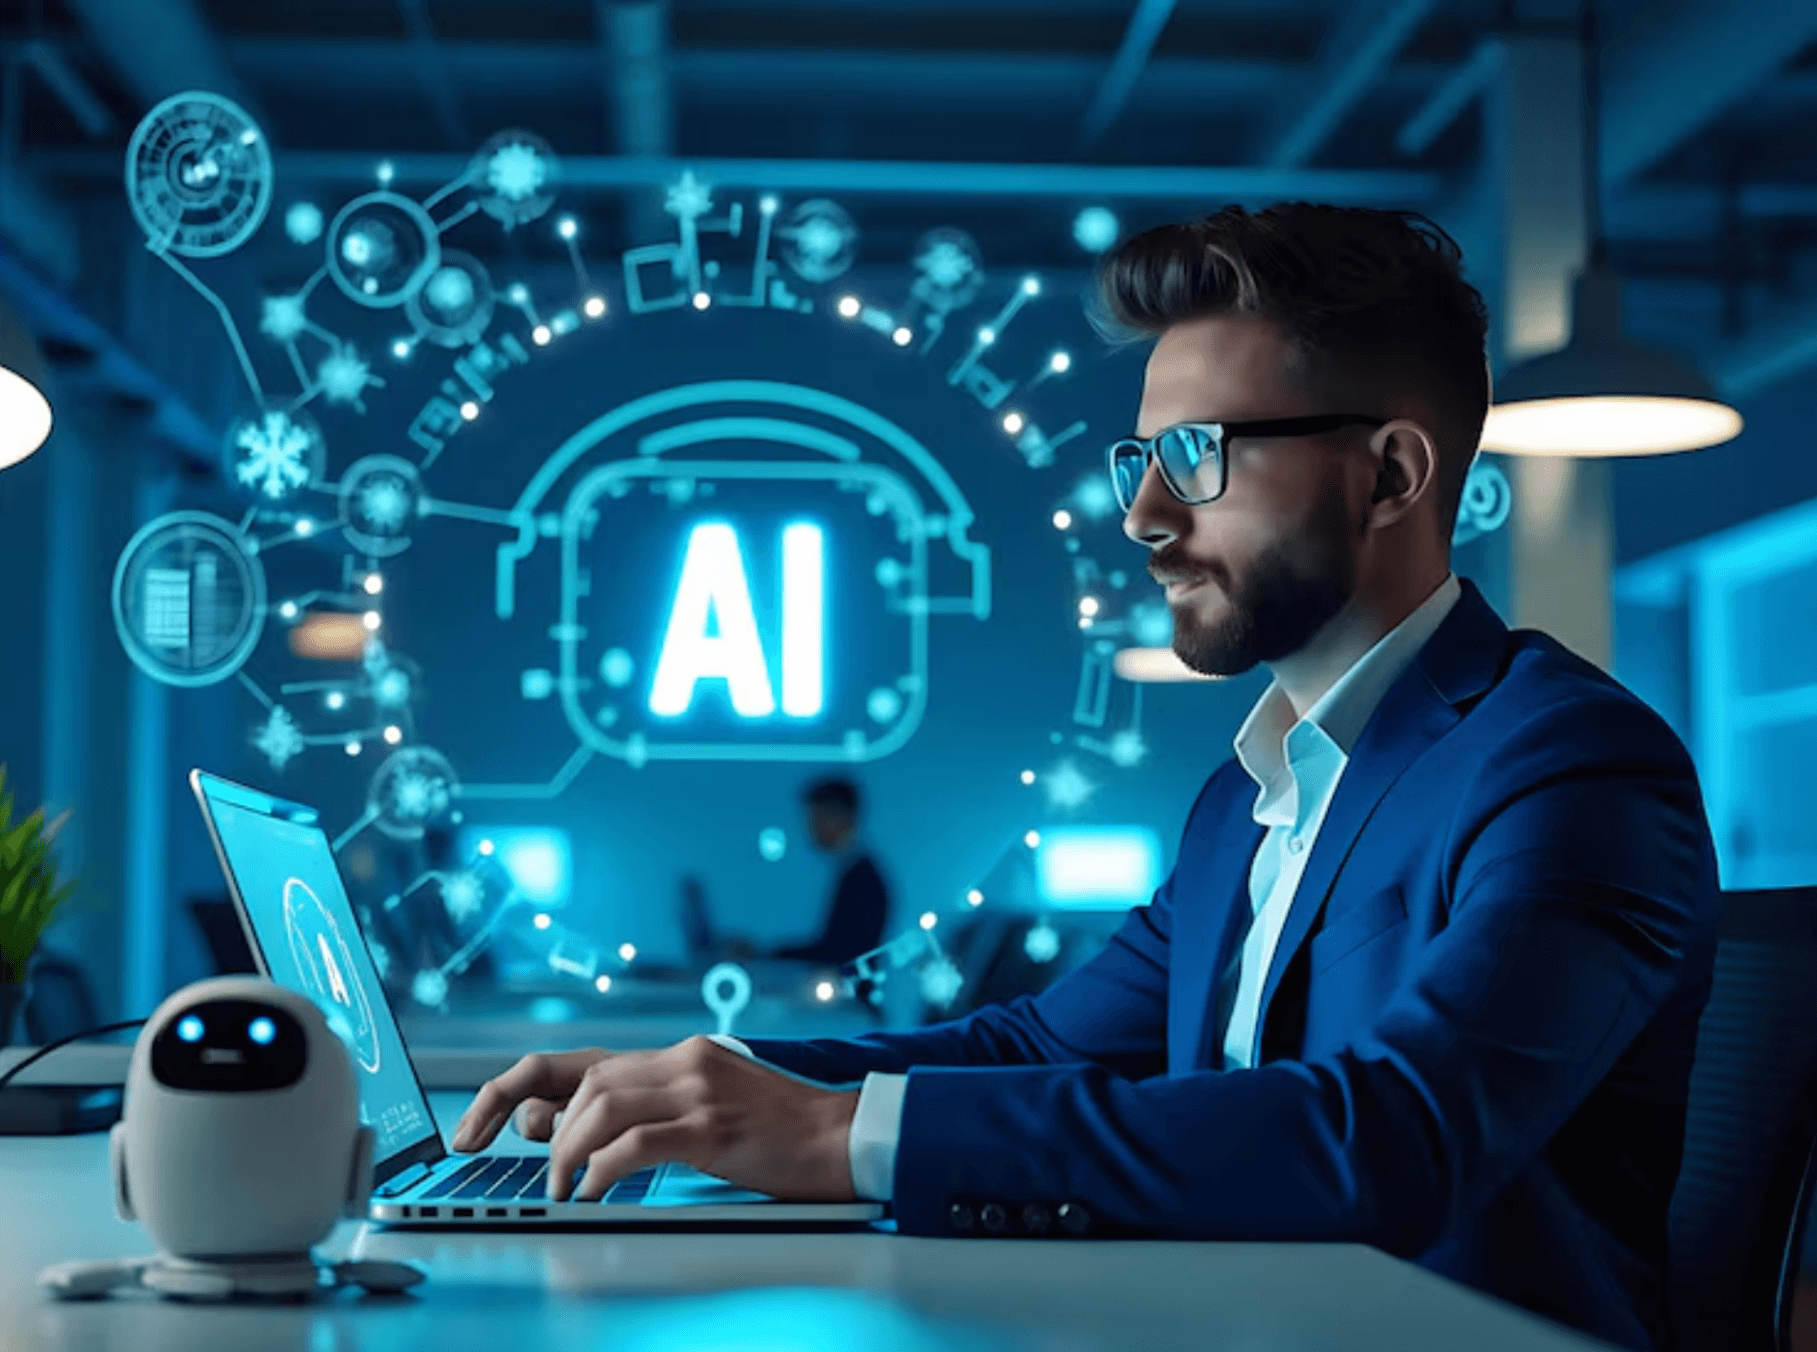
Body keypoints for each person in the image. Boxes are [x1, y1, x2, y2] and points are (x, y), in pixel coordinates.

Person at [452, 204, 1718, 1352]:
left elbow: (1387, 1135)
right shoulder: (1249, 795)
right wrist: (707, 1078)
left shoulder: (1568, 765)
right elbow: (1036, 1041)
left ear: (1389, 472)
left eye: (1199, 454)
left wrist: (839, 1135)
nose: (1144, 515)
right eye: (1139, 461)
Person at [770, 777, 890, 968]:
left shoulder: (862, 881)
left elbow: (841, 953)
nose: (810, 828)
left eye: (816, 818)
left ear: (841, 817)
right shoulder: (855, 874)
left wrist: (771, 956)